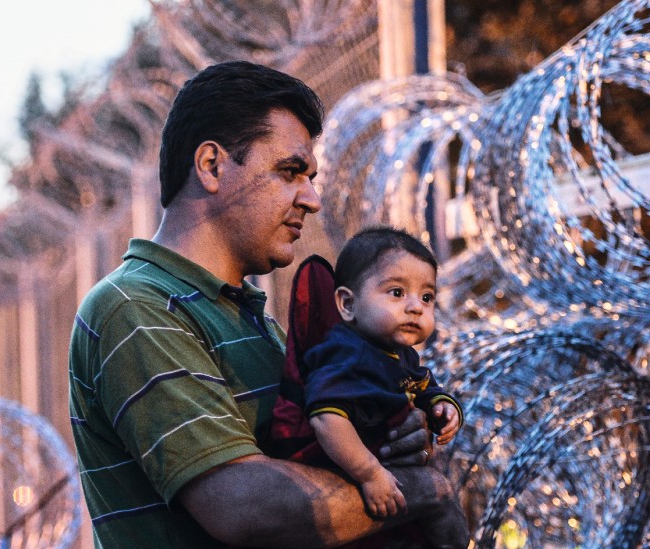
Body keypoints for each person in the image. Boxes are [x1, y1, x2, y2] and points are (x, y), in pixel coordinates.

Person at [68, 60, 468, 548]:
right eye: (290, 171)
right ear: (212, 166)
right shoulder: (136, 308)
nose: (312, 199)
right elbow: (242, 507)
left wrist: (389, 438)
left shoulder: (247, 316)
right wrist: (424, 490)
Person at [301, 227, 463, 520]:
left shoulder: (401, 354)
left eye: (427, 297)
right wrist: (369, 474)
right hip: (344, 479)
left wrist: (443, 405)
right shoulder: (346, 354)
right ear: (348, 304)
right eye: (397, 292)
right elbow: (326, 418)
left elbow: (421, 384)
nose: (415, 307)